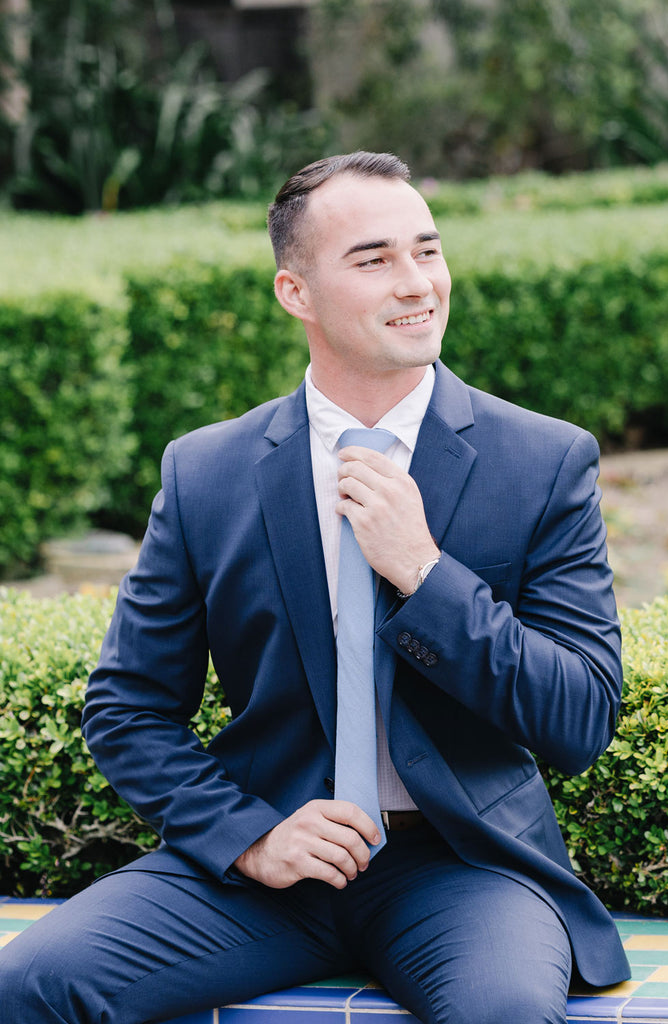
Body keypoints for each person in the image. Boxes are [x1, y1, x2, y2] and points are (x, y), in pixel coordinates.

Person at [1, 151, 630, 1023]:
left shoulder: (542, 460)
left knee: (505, 1016)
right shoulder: (205, 471)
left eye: (427, 250)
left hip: (463, 869)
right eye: (373, 259)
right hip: (263, 867)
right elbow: (128, 709)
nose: (416, 283)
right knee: (25, 985)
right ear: (294, 292)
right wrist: (249, 838)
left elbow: (580, 717)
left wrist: (424, 573)